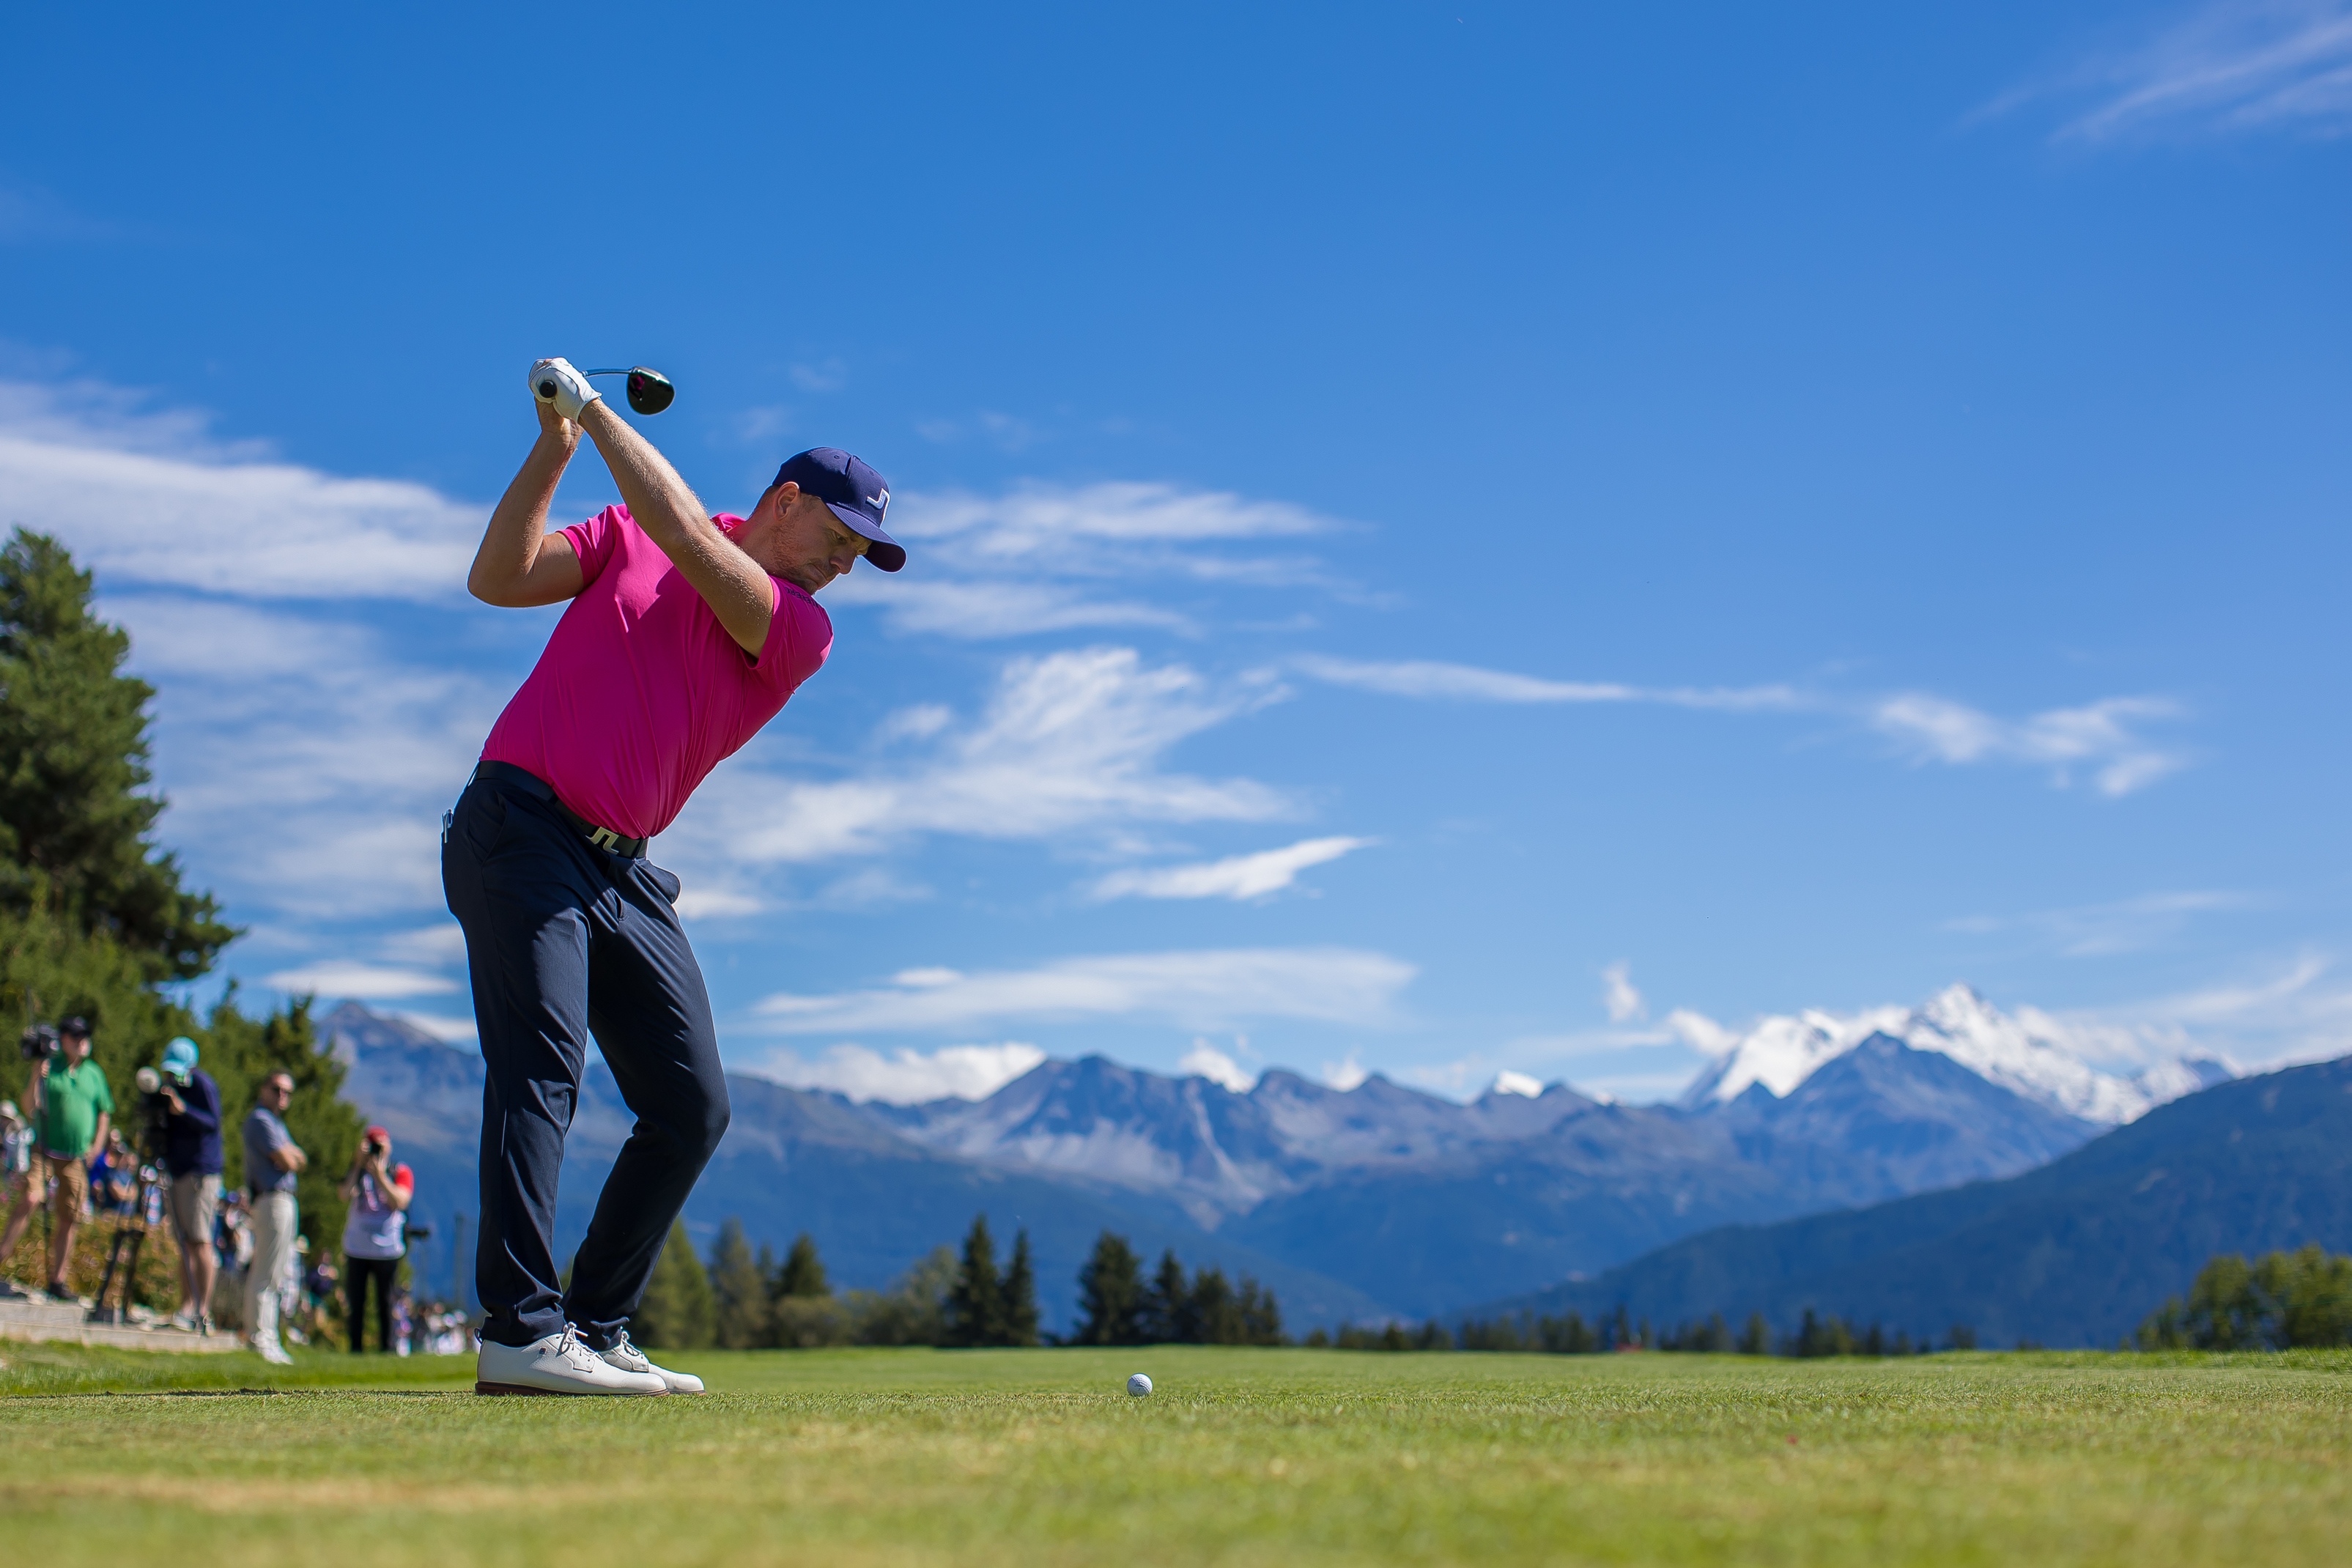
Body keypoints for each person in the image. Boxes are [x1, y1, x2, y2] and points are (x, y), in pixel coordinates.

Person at [444, 359, 901, 1397]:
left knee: (691, 1106)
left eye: (861, 554)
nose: (845, 564)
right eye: (839, 537)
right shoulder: (627, 531)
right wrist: (555, 447)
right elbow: (499, 578)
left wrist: (595, 411)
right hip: (519, 829)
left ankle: (595, 1324)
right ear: (786, 501)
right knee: (542, 1066)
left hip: (624, 872)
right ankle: (521, 1332)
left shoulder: (799, 628)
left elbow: (694, 540)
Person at [0, 1018, 112, 1301]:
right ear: (62, 1039)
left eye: (84, 1035)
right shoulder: (50, 1066)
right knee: (31, 1198)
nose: (82, 1041)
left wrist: (98, 1145)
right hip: (44, 1150)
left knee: (70, 1215)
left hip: (75, 1157)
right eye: (75, 1036)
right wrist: (36, 1075)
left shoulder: (94, 1073)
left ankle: (57, 1281)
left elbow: (104, 1111)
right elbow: (29, 1107)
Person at [155, 1036, 223, 1332]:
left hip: (200, 1173)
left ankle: (202, 1310)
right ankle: (186, 1306)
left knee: (200, 1239)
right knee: (185, 1242)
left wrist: (183, 1109)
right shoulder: (170, 1087)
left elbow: (213, 1123)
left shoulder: (202, 1085)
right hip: (178, 1170)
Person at [240, 1072, 306, 1364]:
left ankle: (268, 1334)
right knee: (266, 1271)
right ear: (264, 1088)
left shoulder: (277, 1124)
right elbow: (289, 1160)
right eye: (277, 1089)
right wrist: (289, 1155)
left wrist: (290, 1155)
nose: (282, 1096)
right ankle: (259, 1335)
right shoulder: (260, 1120)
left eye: (287, 1092)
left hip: (283, 1199)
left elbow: (300, 1159)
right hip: (271, 1198)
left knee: (278, 1273)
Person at [337, 1125, 412, 1353]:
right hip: (357, 1247)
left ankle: (387, 1348)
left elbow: (400, 1201)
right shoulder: (357, 1171)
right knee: (356, 1301)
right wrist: (357, 1164)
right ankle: (355, 1348)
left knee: (386, 1302)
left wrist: (380, 1176)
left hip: (387, 1249)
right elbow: (343, 1194)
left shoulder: (399, 1171)